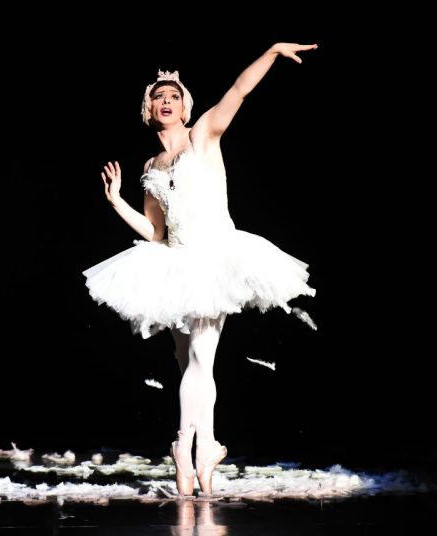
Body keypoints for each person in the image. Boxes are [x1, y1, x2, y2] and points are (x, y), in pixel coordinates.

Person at [82, 43, 317, 497]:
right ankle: (204, 451)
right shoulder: (150, 165)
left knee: (199, 361)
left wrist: (270, 52)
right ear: (148, 108)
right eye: (158, 96)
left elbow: (239, 91)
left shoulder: (204, 134)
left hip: (214, 259)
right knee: (191, 362)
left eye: (173, 95)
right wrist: (115, 202)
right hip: (173, 265)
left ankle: (184, 448)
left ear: (184, 104)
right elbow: (154, 231)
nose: (165, 100)